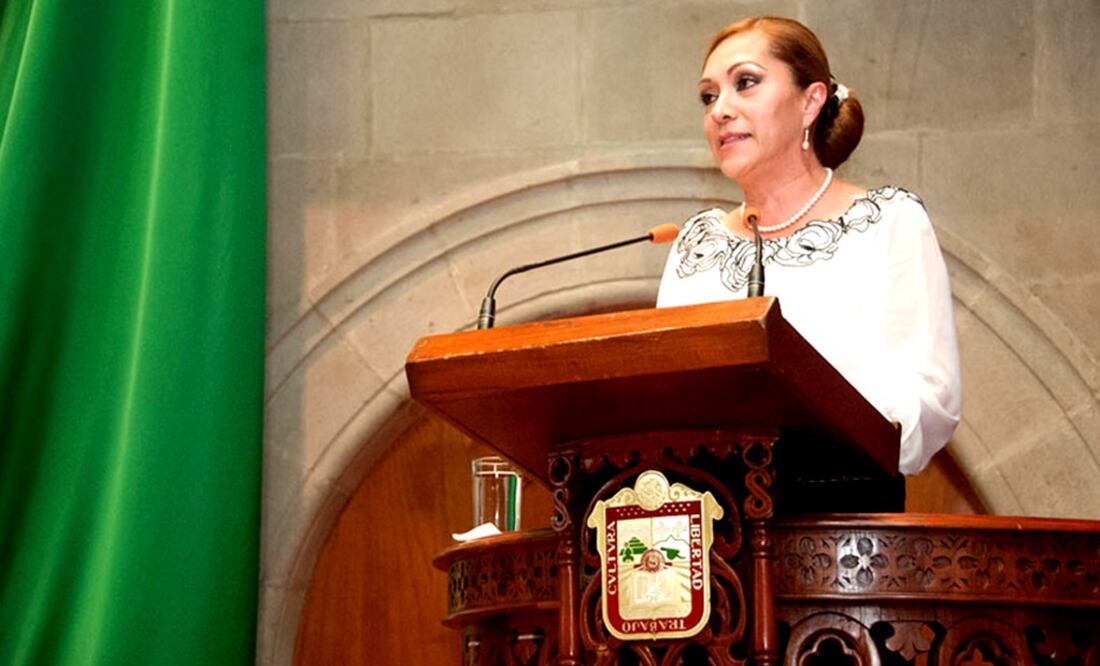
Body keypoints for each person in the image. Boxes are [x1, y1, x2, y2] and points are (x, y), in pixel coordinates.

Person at [657, 16, 961, 476]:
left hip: (843, 517)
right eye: (709, 95)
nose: (720, 109)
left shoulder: (886, 222)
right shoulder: (696, 245)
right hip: (715, 519)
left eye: (746, 83)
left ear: (810, 102)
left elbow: (931, 397)